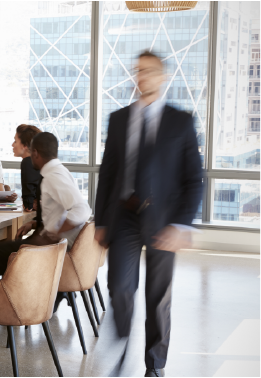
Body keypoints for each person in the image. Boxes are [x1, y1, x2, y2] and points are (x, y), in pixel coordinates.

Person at [94, 51, 202, 378]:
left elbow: (194, 178)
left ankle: (154, 366)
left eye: (149, 71)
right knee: (120, 287)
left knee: (158, 299)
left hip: (163, 221)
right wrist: (100, 221)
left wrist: (181, 224)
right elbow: (108, 174)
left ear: (163, 76)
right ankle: (123, 336)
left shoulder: (180, 121)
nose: (142, 77)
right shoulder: (119, 119)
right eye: (137, 71)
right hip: (125, 215)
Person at [0, 132, 91, 278]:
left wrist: (54, 233)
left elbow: (82, 209)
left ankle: (16, 295)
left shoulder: (53, 176)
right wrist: (36, 224)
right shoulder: (59, 170)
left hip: (50, 249)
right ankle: (13, 295)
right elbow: (57, 211)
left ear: (35, 153)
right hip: (54, 246)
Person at [12, 124, 42, 212]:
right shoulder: (40, 161)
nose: (12, 145)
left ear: (25, 145)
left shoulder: (27, 162)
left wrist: (28, 204)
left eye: (15, 141)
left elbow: (29, 206)